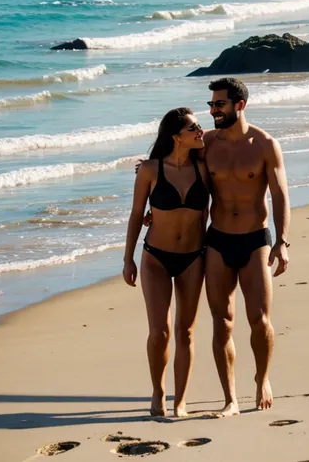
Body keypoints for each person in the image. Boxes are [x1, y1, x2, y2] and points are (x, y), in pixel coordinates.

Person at [203, 77, 290, 416]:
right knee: (222, 321)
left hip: (256, 240)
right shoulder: (206, 144)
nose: (212, 111)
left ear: (239, 105)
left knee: (259, 319)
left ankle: (262, 379)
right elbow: (174, 169)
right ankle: (230, 399)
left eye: (219, 104)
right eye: (211, 104)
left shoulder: (265, 144)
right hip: (218, 239)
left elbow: (280, 193)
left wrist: (282, 242)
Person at [123, 108, 209, 418]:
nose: (201, 130)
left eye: (200, 126)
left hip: (193, 257)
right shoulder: (150, 169)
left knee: (185, 332)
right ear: (176, 136)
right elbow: (136, 214)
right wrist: (127, 258)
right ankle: (158, 392)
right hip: (155, 258)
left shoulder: (204, 166)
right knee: (159, 332)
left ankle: (181, 399)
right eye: (194, 127)